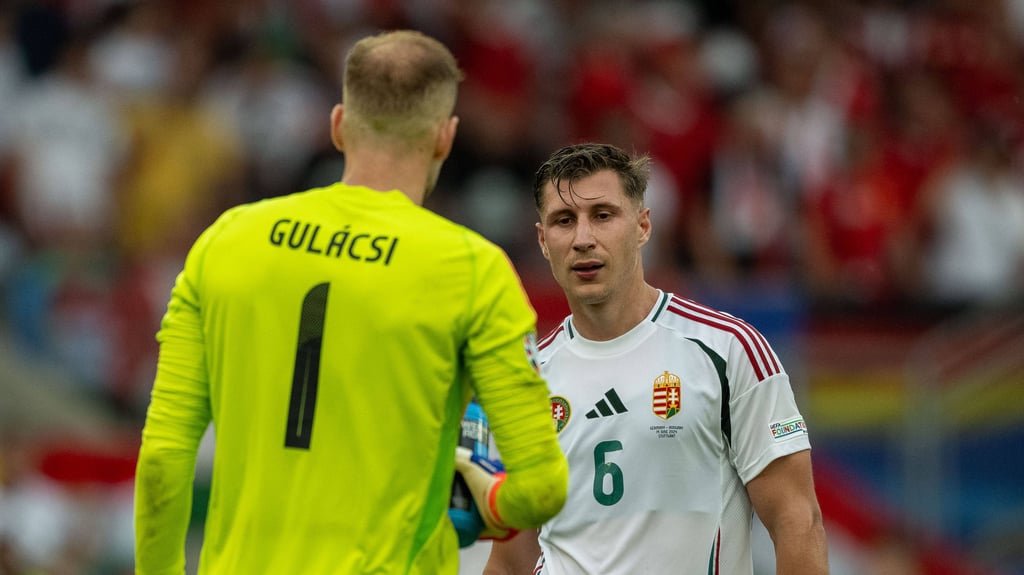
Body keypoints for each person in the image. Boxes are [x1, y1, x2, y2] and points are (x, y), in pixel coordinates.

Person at [133, 29, 568, 574]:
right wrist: (484, 497)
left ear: (339, 125)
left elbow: (162, 459)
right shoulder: (472, 270)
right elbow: (543, 486)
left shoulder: (226, 242)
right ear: (444, 138)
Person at [485, 142, 828, 574]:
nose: (583, 239)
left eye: (603, 215)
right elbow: (509, 560)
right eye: (564, 221)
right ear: (542, 240)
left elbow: (797, 518)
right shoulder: (526, 381)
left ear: (643, 226)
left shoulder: (728, 349)